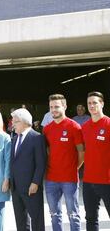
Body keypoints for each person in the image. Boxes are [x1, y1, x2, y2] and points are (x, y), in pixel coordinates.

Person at [43, 94, 84, 231]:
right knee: (54, 215)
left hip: (69, 179)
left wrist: (73, 168)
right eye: (51, 107)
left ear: (65, 106)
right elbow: (48, 151)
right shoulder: (47, 129)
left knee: (73, 214)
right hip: (51, 179)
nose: (53, 109)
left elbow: (81, 152)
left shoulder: (74, 127)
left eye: (56, 106)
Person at [10, 108, 47, 231]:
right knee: (20, 221)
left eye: (15, 122)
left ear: (24, 122)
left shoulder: (37, 138)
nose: (12, 124)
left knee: (36, 220)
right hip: (16, 187)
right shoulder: (14, 139)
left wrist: (35, 182)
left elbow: (41, 163)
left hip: (31, 187)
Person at [81, 91, 110, 231]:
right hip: (88, 181)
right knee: (91, 218)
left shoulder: (108, 124)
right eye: (89, 103)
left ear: (102, 104)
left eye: (95, 102)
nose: (91, 106)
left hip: (107, 181)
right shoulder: (85, 127)